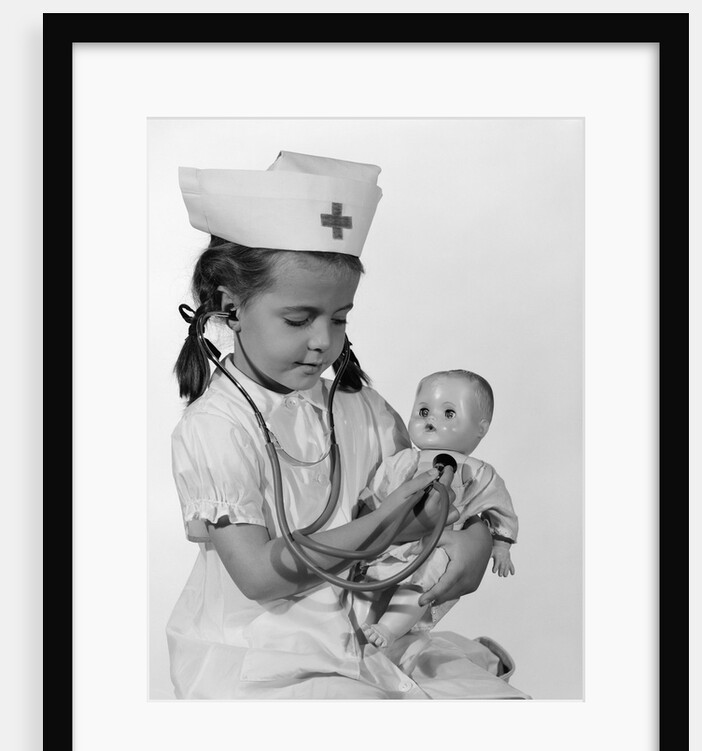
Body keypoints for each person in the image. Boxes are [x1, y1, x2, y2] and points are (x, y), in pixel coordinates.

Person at [166, 150, 528, 699]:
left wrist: (477, 540)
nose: (322, 341)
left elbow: (434, 493)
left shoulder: (362, 408)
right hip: (264, 651)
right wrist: (386, 525)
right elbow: (260, 577)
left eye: (339, 318)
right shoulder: (217, 429)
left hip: (370, 633)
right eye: (298, 319)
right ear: (230, 306)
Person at [358, 369, 519, 649]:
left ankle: (389, 629)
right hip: (391, 543)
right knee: (372, 576)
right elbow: (376, 494)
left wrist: (501, 546)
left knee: (423, 582)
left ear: (481, 428)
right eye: (423, 411)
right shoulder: (401, 460)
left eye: (448, 413)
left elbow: (500, 508)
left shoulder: (478, 472)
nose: (431, 418)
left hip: (436, 548)